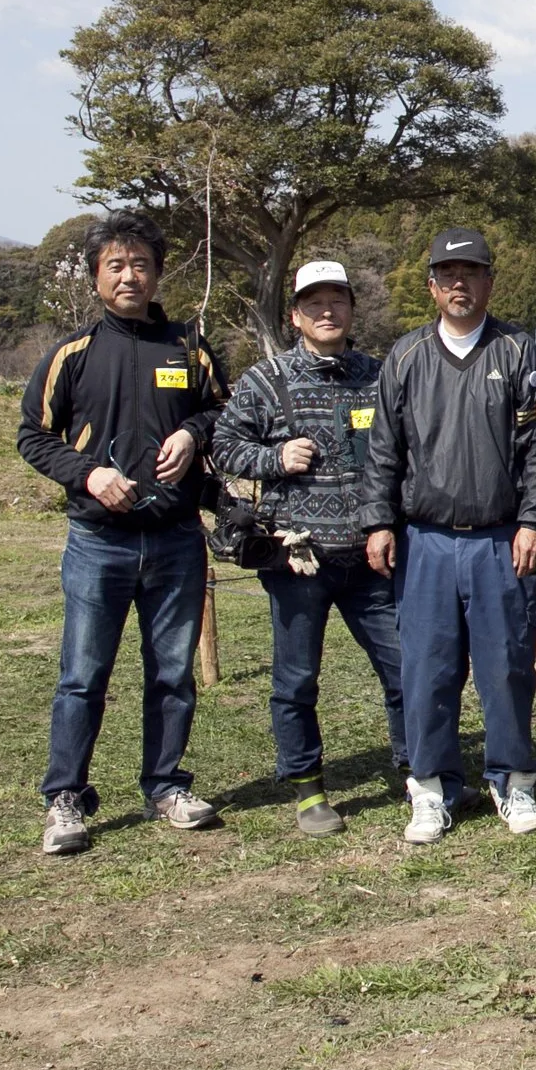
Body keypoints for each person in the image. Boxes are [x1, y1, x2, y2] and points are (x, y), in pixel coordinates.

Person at [18, 211, 228, 857]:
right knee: (83, 674)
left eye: (140, 263)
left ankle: (166, 784)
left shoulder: (188, 346)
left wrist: (195, 432)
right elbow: (32, 435)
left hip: (175, 537)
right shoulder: (72, 355)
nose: (129, 275)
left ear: (159, 273)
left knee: (172, 673)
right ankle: (66, 797)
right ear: (96, 279)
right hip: (98, 541)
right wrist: (88, 476)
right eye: (116, 264)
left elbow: (225, 410)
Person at [355, 228, 536, 846]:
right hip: (426, 542)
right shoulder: (407, 356)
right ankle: (431, 788)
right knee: (428, 671)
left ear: (489, 280)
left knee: (506, 667)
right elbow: (383, 450)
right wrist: (377, 522)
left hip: (501, 539)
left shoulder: (516, 351)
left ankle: (513, 782)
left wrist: (534, 519)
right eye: (448, 275)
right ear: (432, 287)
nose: (459, 285)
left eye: (471, 273)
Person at [210, 260, 403, 836]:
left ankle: (419, 771)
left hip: (371, 556)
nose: (327, 311)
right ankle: (307, 789)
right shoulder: (266, 380)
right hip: (299, 560)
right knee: (296, 680)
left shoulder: (379, 375)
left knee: (405, 668)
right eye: (314, 303)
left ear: (350, 308)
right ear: (295, 315)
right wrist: (274, 458)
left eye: (337, 301)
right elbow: (222, 445)